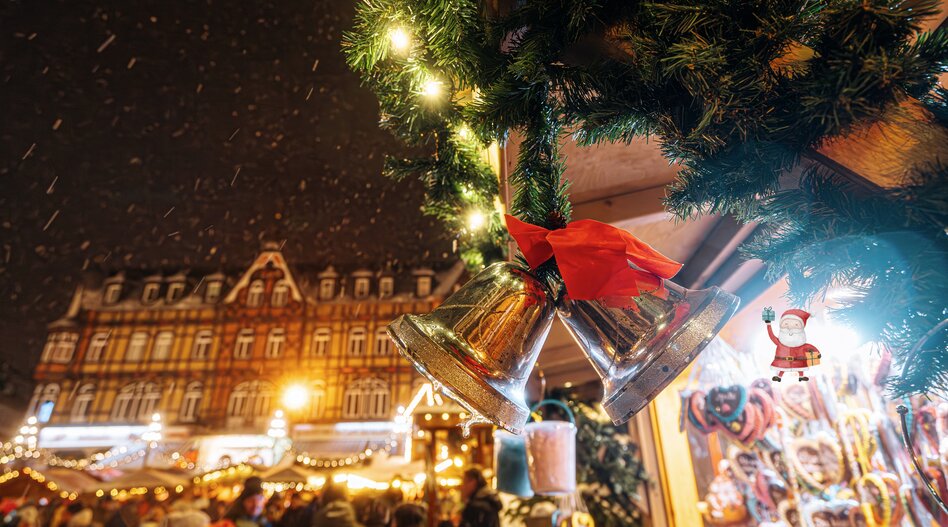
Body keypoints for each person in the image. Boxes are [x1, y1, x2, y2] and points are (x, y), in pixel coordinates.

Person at [765, 309, 821, 382]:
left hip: (799, 362)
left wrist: (817, 353)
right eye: (786, 324)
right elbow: (771, 336)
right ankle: (779, 377)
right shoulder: (780, 343)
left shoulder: (802, 345)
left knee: (800, 367)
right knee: (783, 368)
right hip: (783, 362)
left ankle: (801, 376)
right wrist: (768, 325)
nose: (789, 328)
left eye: (796, 325)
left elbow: (810, 347)